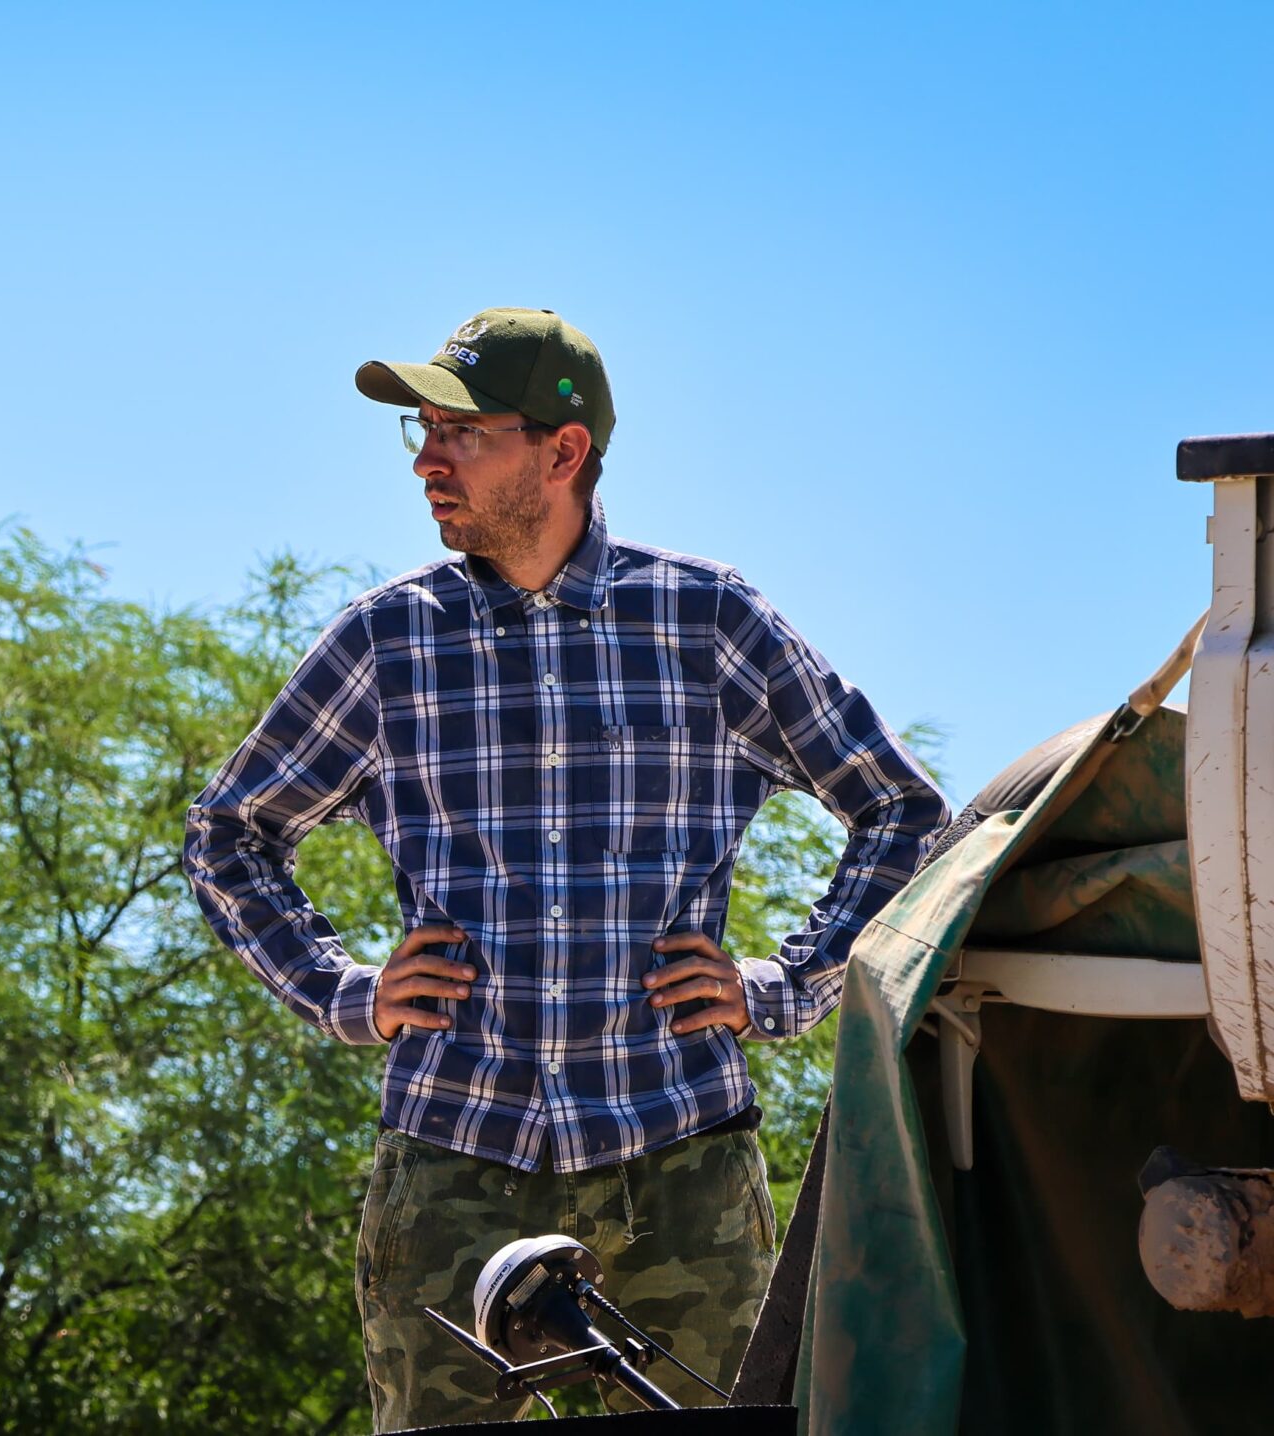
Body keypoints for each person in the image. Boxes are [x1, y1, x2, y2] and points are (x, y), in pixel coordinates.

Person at [182, 307, 949, 1428]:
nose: (429, 460)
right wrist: (346, 992)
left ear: (563, 449)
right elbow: (228, 832)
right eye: (420, 435)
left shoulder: (707, 617)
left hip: (677, 1168)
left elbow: (900, 807)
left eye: (462, 431)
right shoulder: (385, 640)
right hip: (449, 1167)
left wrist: (781, 987)